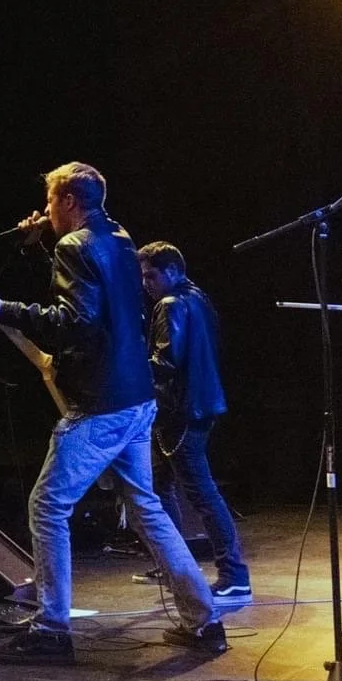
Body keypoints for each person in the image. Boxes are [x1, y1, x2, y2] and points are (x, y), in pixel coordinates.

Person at [0, 163, 223, 662]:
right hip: (136, 396)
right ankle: (204, 619)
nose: (42, 211)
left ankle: (50, 629)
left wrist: (6, 310)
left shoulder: (75, 246)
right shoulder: (121, 237)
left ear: (67, 201)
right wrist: (41, 245)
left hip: (101, 403)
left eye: (48, 202)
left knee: (48, 505)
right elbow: (94, 292)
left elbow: (76, 321)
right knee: (146, 506)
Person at [137, 241, 251, 605]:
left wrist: (128, 368)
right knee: (162, 487)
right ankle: (175, 562)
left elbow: (165, 363)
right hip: (199, 406)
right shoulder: (199, 298)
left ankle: (234, 576)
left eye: (151, 275)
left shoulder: (170, 304)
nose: (146, 283)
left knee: (200, 493)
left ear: (171, 271)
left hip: (181, 411)